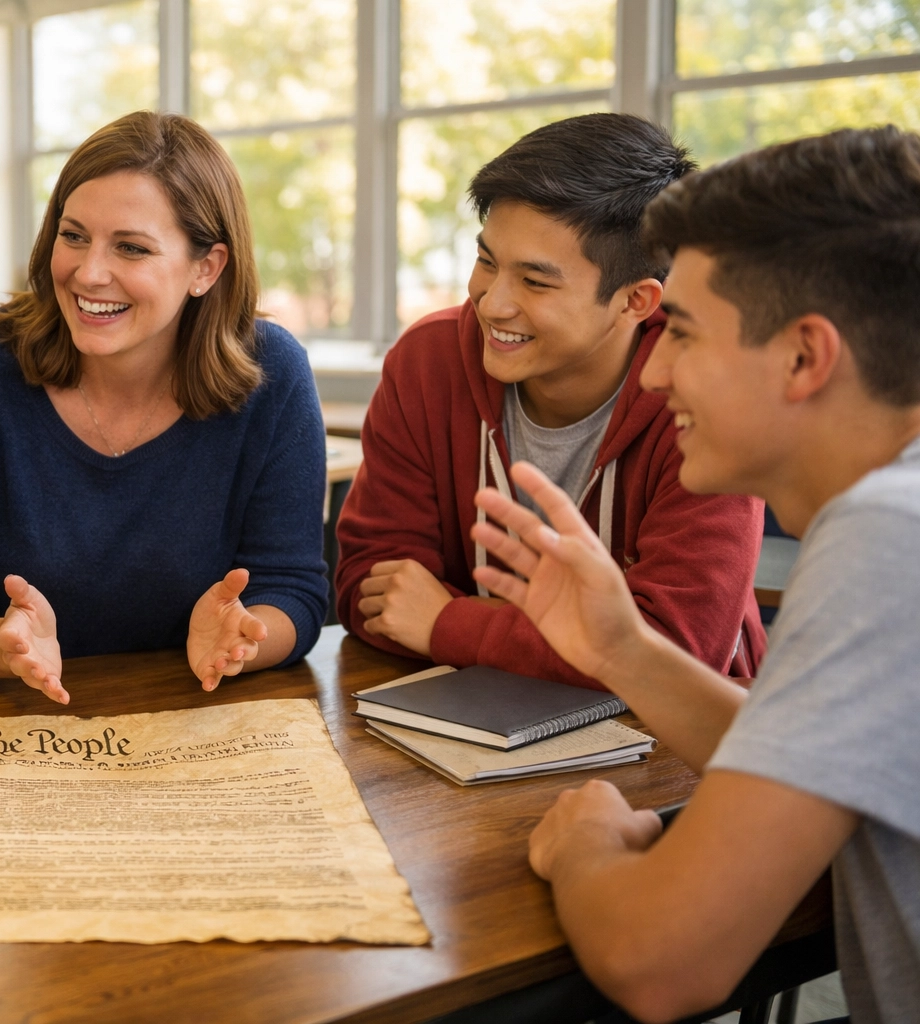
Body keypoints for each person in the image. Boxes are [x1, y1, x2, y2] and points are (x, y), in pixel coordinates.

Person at [471, 126, 920, 1023]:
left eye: (680, 331)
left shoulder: (888, 539)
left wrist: (586, 844)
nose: (655, 374)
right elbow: (802, 756)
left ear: (805, 357)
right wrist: (621, 646)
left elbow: (659, 965)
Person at [0, 111, 329, 703]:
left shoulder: (274, 375)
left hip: (192, 716)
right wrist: (3, 645)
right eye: (74, 235)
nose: (88, 273)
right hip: (2, 728)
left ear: (205, 268)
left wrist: (242, 641)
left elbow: (293, 587)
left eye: (131, 248)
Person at [335, 113, 765, 689]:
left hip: (670, 744)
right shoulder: (426, 362)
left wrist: (449, 623)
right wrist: (577, 642)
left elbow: (678, 651)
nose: (492, 304)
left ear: (636, 301)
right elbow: (373, 591)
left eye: (535, 282)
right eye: (487, 261)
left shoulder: (706, 396)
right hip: (464, 712)